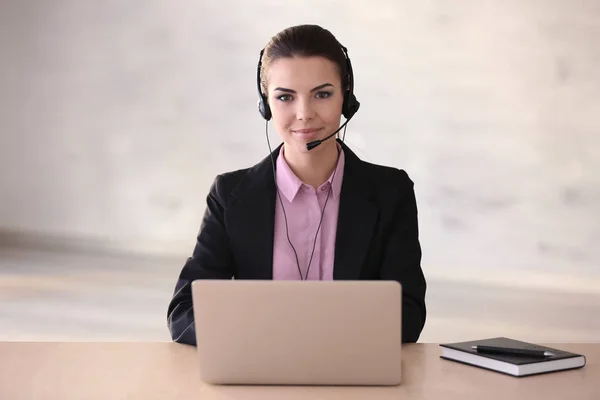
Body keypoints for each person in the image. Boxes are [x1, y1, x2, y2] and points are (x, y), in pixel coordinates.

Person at [167, 24, 427, 345]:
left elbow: (408, 315)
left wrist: (304, 335)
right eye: (285, 97)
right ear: (265, 105)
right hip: (261, 372)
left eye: (322, 94)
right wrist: (267, 337)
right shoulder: (230, 196)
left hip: (353, 378)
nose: (304, 114)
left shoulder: (391, 193)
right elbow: (183, 313)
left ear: (346, 97)